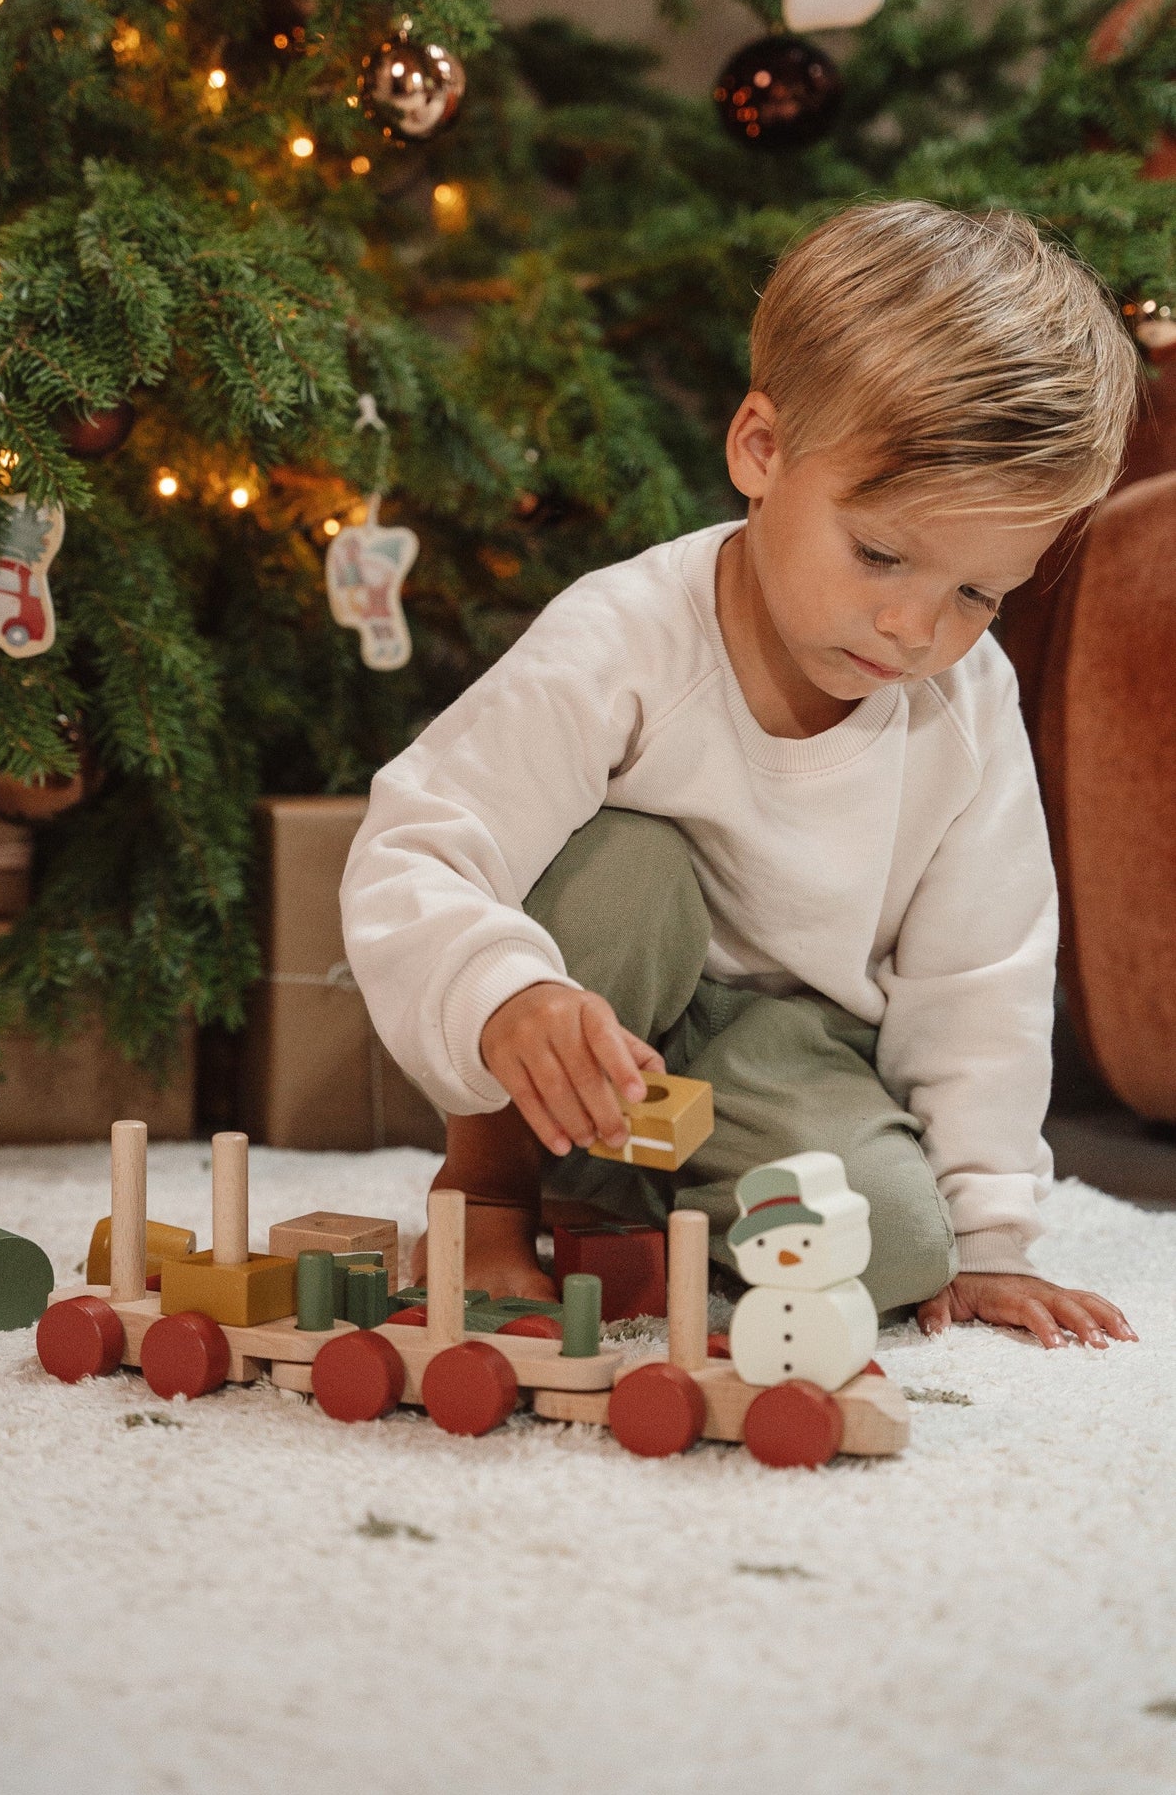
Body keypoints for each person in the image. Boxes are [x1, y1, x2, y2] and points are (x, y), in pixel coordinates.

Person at [340, 201, 1141, 1348]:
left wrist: (988, 1234)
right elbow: (418, 839)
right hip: (598, 993)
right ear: (759, 450)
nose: (914, 627)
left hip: (788, 1049)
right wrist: (506, 994)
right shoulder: (623, 634)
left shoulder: (963, 709)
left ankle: (625, 1209)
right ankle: (496, 1189)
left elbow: (983, 975)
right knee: (627, 872)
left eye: (977, 594)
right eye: (877, 552)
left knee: (899, 1248)